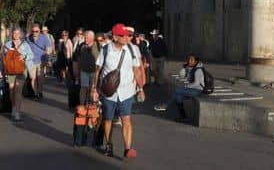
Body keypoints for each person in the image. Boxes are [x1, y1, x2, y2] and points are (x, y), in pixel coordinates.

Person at [92, 23, 144, 159]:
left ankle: (128, 148)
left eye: (127, 35)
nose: (126, 37)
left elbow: (136, 71)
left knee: (126, 119)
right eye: (123, 35)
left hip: (126, 91)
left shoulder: (131, 50)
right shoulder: (105, 50)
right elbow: (98, 70)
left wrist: (141, 88)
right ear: (115, 37)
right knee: (108, 120)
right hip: (109, 92)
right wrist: (94, 89)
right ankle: (109, 144)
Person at [154, 54, 204, 122]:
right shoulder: (192, 69)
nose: (189, 61)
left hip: (198, 90)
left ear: (196, 62)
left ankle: (165, 105)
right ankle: (183, 116)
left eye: (192, 60)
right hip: (193, 89)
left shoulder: (198, 70)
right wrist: (184, 68)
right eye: (188, 59)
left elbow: (196, 83)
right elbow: (182, 76)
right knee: (178, 97)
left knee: (178, 90)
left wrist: (186, 86)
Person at [3, 27, 34, 121]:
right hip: (10, 71)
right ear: (12, 34)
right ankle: (13, 107)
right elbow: (3, 58)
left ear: (20, 34)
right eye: (14, 33)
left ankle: (17, 112)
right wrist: (1, 71)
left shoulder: (25, 45)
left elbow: (31, 55)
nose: (16, 35)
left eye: (17, 33)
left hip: (21, 71)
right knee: (11, 90)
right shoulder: (7, 44)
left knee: (18, 90)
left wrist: (24, 56)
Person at [72, 30, 99, 104]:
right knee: (83, 88)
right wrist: (77, 71)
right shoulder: (81, 46)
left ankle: (91, 105)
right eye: (85, 38)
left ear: (92, 38)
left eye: (87, 38)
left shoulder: (97, 46)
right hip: (84, 71)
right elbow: (77, 59)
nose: (85, 39)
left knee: (92, 89)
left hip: (94, 71)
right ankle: (82, 105)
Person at [26, 23, 51, 100]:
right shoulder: (28, 38)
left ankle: (40, 91)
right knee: (33, 78)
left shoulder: (44, 38)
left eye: (36, 31)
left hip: (41, 61)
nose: (35, 33)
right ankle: (35, 93)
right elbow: (25, 48)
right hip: (31, 61)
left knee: (40, 78)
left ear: (39, 30)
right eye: (33, 31)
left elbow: (48, 48)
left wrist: (48, 59)